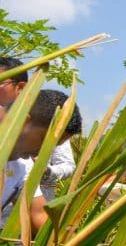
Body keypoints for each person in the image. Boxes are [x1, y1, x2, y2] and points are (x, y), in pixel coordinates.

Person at [1, 89, 82, 235]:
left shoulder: (23, 165)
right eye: (45, 143)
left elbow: (38, 216)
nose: (42, 153)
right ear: (23, 121)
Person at [0, 58, 76, 201]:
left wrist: (46, 171)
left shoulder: (46, 116)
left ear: (21, 87)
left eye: (1, 82)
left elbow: (67, 165)